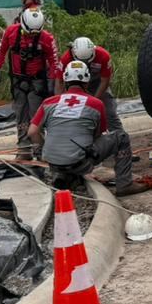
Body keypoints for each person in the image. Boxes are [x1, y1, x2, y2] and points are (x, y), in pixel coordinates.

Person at [27, 61, 144, 195]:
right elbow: (97, 135)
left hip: (53, 163)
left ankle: (64, 174)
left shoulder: (49, 102)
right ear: (87, 82)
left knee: (69, 152)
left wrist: (43, 150)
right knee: (121, 137)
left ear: (65, 81)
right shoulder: (96, 104)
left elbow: (32, 132)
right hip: (81, 164)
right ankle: (125, 184)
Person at [57, 36, 134, 190]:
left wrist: (94, 100)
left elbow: (105, 80)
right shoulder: (65, 59)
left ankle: (120, 149)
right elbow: (59, 82)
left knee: (110, 113)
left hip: (98, 84)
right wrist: (62, 101)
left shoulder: (103, 56)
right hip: (75, 84)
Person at [0, 7, 62, 161]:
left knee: (35, 116)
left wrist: (52, 81)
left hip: (37, 83)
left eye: (35, 34)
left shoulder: (47, 38)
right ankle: (24, 148)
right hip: (18, 81)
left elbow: (54, 61)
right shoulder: (11, 32)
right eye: (29, 33)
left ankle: (39, 149)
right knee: (20, 114)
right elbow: (2, 50)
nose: (32, 36)